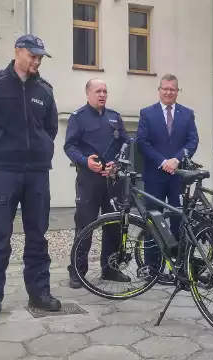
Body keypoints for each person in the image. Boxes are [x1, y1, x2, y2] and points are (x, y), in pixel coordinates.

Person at [0, 34, 61, 321]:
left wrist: (41, 149)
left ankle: (39, 293)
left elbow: (50, 128)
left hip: (37, 174)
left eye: (40, 56)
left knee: (37, 236)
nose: (37, 60)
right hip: (4, 173)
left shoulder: (44, 89)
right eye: (33, 55)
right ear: (18, 52)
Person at [64, 79, 131, 289]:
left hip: (112, 181)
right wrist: (85, 162)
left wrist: (118, 163)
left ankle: (109, 268)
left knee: (114, 225)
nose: (102, 95)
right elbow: (70, 146)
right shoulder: (78, 117)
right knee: (85, 225)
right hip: (89, 180)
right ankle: (77, 271)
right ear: (88, 94)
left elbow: (126, 144)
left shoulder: (114, 117)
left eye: (105, 91)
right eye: (97, 91)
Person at [136, 74, 199, 273]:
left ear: (177, 91)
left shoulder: (187, 114)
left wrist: (176, 160)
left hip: (179, 177)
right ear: (159, 90)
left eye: (173, 89)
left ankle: (179, 266)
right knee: (153, 221)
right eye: (165, 88)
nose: (169, 92)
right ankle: (152, 266)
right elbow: (142, 142)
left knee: (179, 221)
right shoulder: (147, 113)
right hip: (155, 176)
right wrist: (163, 162)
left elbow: (192, 141)